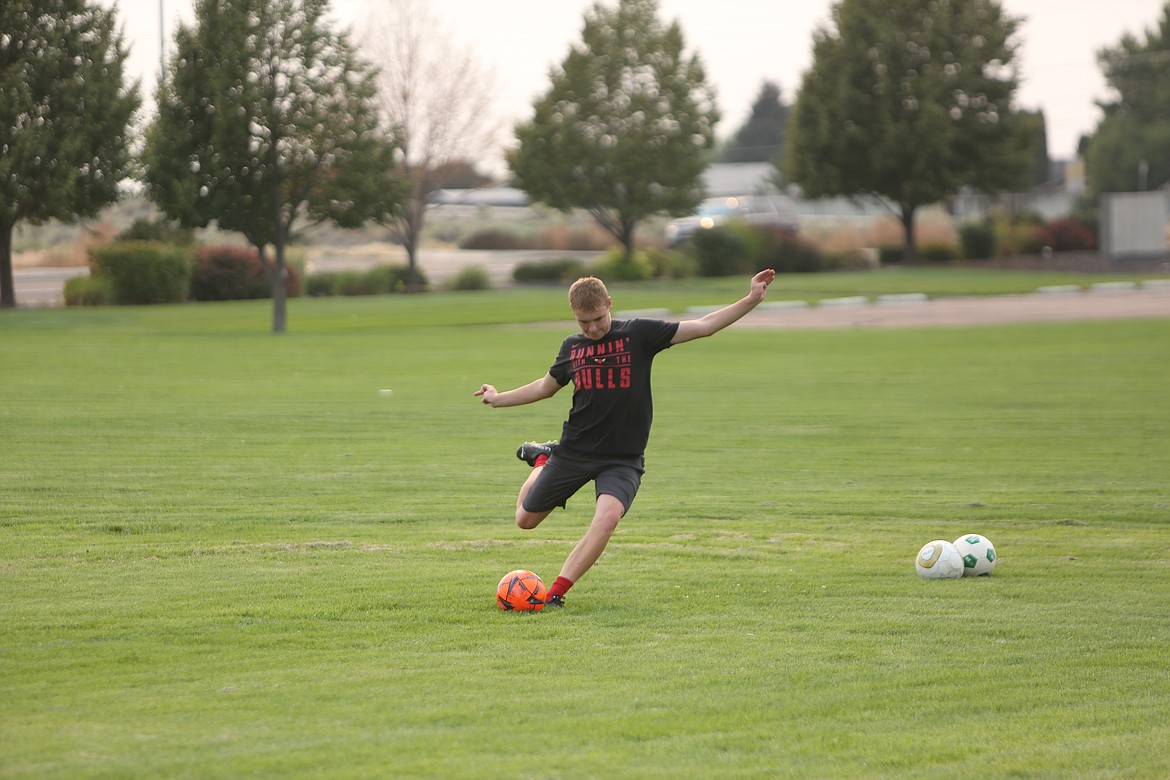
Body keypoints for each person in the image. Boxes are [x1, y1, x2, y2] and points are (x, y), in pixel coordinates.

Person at [474, 269, 776, 608]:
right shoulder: (572, 348)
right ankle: (543, 458)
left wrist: (751, 298)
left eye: (598, 319)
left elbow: (704, 326)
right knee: (524, 520)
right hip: (574, 451)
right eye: (583, 322)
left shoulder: (639, 334)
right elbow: (546, 387)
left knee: (607, 519)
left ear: (610, 305)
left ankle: (556, 593)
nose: (591, 328)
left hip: (622, 459)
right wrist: (498, 397)